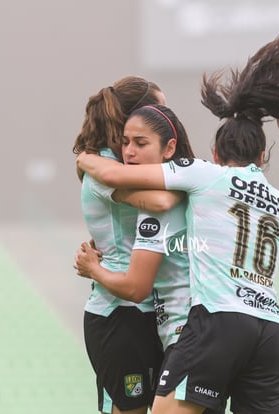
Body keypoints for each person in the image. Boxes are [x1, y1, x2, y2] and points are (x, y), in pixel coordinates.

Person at [76, 20, 279, 414]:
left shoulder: (203, 177)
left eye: (139, 142)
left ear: (212, 152)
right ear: (262, 157)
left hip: (216, 320)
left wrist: (85, 157)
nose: (129, 150)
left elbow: (119, 179)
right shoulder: (278, 199)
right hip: (269, 326)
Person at [73, 77, 180, 414]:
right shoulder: (106, 165)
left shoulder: (122, 162)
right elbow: (161, 201)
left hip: (148, 311)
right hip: (118, 312)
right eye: (158, 108)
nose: (166, 116)